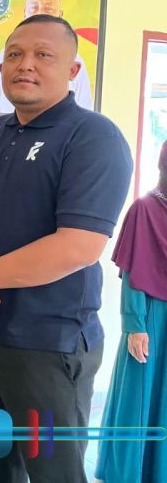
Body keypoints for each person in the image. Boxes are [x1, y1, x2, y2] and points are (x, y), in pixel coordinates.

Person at [0, 14, 132, 482]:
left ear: (72, 71)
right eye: (15, 55)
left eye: (44, 55)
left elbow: (78, 246)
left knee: (52, 473)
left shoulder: (93, 137)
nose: (26, 64)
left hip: (46, 345)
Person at [96, 140, 167, 483]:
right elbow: (133, 272)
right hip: (151, 316)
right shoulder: (145, 209)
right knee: (139, 395)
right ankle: (128, 473)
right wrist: (135, 325)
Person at [0, 0, 93, 132]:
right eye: (34, 8)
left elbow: (84, 114)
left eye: (48, 9)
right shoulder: (6, 55)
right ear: (24, 14)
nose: (40, 14)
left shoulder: (72, 58)